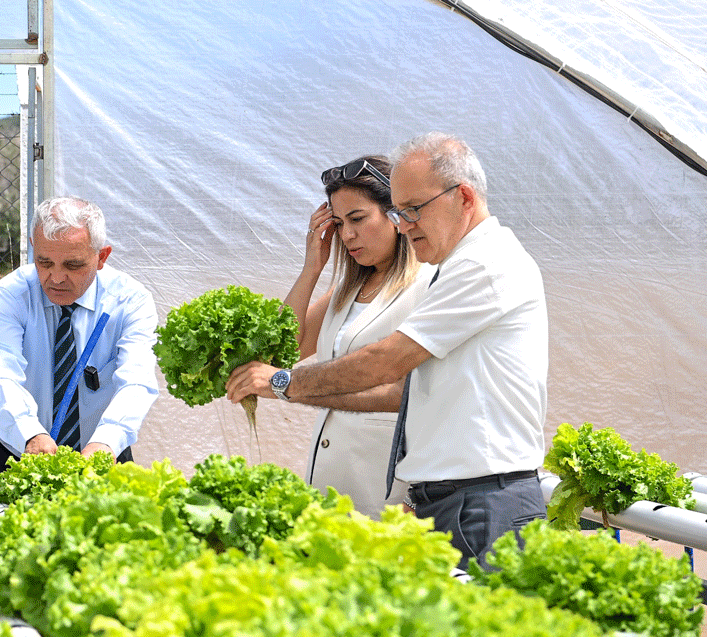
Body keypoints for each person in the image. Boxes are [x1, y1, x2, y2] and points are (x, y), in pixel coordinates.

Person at [227, 133, 548, 570]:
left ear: (464, 197)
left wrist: (285, 385)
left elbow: (389, 366)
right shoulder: (446, 269)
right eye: (401, 211)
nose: (405, 223)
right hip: (447, 497)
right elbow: (285, 348)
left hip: (480, 499)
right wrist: (311, 267)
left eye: (412, 210)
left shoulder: (478, 266)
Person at [284, 155, 435, 516]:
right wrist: (311, 268)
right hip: (329, 483)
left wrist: (417, 497)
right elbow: (280, 351)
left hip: (389, 491)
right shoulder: (345, 291)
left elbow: (430, 396)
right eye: (338, 223)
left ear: (396, 215)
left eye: (358, 218)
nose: (347, 234)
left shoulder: (429, 284)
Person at [0, 196, 159, 486]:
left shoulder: (131, 301)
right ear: (33, 248)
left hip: (102, 456)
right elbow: (1, 377)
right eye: (44, 262)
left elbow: (136, 382)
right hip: (20, 453)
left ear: (102, 257)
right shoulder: (11, 295)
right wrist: (30, 434)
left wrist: (107, 441)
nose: (56, 278)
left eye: (73, 265)